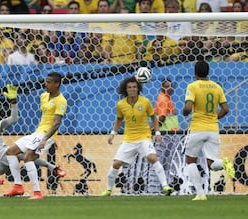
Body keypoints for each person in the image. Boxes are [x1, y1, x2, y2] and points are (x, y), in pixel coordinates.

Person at [100, 76, 173, 197]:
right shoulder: (121, 104)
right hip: (129, 139)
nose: (132, 89)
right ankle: (108, 190)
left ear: (138, 88)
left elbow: (154, 117)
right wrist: (113, 134)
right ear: (126, 90)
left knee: (152, 158)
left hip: (144, 137)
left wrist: (157, 133)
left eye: (134, 87)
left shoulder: (145, 102)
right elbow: (119, 119)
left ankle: (165, 186)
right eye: (130, 87)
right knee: (116, 164)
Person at [4, 72, 67, 200]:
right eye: (46, 81)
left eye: (49, 82)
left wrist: (46, 139)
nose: (46, 84)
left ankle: (37, 193)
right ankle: (18, 186)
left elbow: (56, 123)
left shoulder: (61, 101)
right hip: (37, 132)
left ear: (57, 84)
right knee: (10, 152)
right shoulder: (43, 96)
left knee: (28, 157)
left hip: (45, 135)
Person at [182, 60, 234, 201]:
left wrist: (185, 112)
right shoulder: (217, 87)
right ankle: (224, 162)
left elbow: (187, 107)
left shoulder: (192, 86)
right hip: (213, 129)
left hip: (198, 128)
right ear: (208, 72)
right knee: (212, 164)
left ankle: (200, 194)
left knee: (190, 160)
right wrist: (214, 118)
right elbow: (226, 109)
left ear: (195, 72)